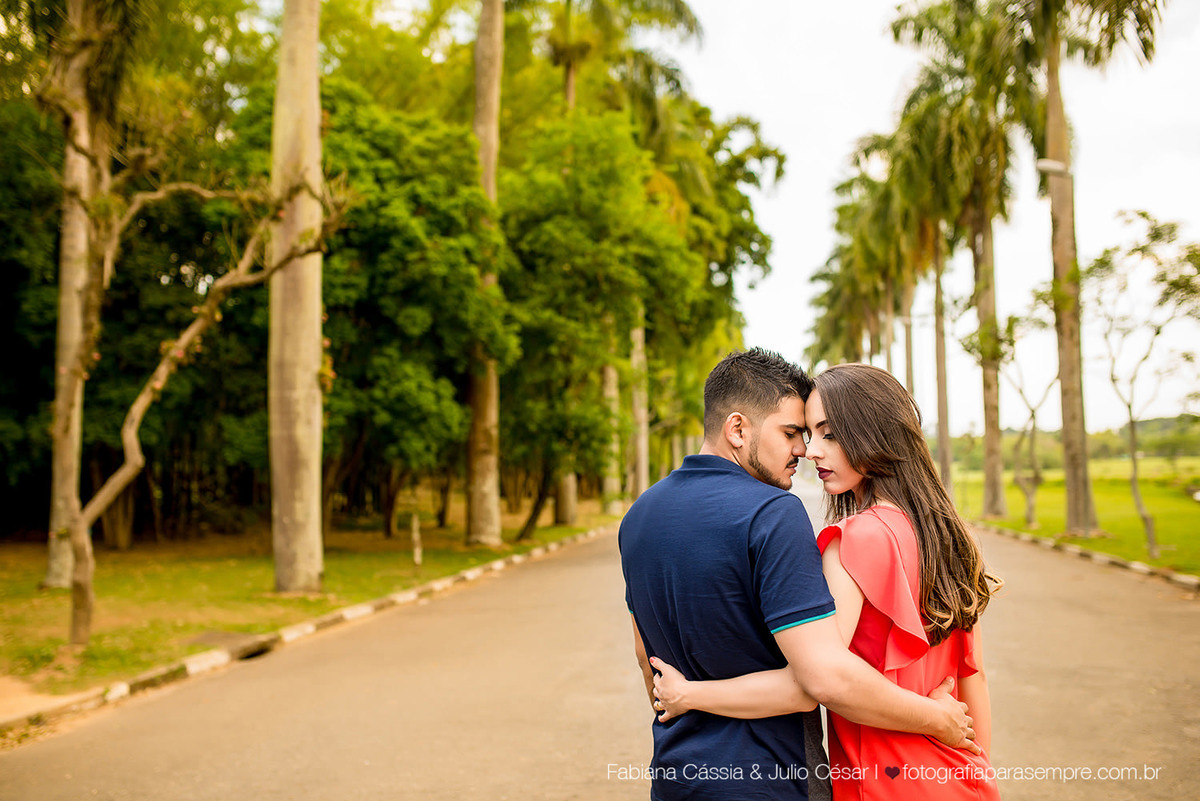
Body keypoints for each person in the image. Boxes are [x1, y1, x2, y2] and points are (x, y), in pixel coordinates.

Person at [620, 350, 978, 801]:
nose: (802, 450)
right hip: (770, 779)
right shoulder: (772, 513)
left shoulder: (638, 517)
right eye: (791, 433)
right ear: (737, 429)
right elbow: (820, 680)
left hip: (677, 777)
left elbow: (646, 659)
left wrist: (686, 698)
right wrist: (939, 719)